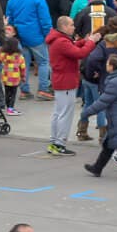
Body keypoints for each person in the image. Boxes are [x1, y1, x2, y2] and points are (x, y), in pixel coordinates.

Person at [46, 16, 97, 156]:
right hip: (66, 81)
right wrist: (91, 42)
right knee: (65, 114)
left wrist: (84, 41)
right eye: (72, 25)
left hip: (61, 80)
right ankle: (60, 143)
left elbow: (73, 47)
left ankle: (54, 141)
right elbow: (79, 53)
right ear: (64, 27)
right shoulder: (61, 41)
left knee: (58, 113)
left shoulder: (59, 40)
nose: (74, 27)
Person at [5, 0, 53, 99]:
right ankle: (43, 89)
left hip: (20, 36)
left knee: (23, 63)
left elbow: (9, 20)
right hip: (36, 35)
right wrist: (48, 34)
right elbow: (44, 19)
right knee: (43, 62)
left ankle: (24, 90)